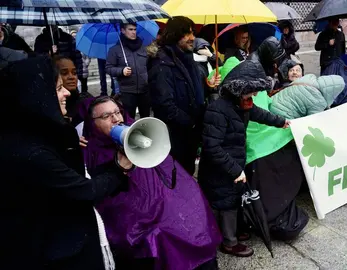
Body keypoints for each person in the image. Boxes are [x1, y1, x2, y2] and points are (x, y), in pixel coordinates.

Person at [0, 55, 132, 270]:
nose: (67, 93)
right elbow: (84, 190)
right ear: (37, 95)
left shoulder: (33, 135)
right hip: (49, 252)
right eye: (59, 87)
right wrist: (120, 167)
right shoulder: (31, 153)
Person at [78, 96, 221, 270]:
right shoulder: (93, 152)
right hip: (142, 223)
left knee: (194, 222)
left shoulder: (140, 133)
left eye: (117, 112)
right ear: (93, 123)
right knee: (161, 238)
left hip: (167, 209)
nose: (116, 119)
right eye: (106, 116)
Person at [198, 60, 289, 257]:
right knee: (226, 202)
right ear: (240, 88)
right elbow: (212, 147)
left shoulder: (243, 103)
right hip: (219, 168)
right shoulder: (218, 109)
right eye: (253, 91)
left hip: (232, 162)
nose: (255, 96)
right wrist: (234, 169)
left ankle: (232, 232)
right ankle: (229, 242)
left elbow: (261, 114)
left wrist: (282, 122)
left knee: (232, 199)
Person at [149, 16, 206, 175]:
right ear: (175, 35)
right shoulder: (162, 63)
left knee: (187, 171)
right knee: (178, 175)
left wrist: (207, 85)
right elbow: (165, 106)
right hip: (175, 136)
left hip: (191, 133)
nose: (192, 38)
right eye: (187, 34)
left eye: (192, 33)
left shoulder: (187, 57)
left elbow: (194, 90)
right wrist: (191, 123)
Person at [106, 23, 150, 118]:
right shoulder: (115, 50)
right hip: (127, 91)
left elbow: (148, 66)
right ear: (122, 30)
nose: (134, 32)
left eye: (135, 29)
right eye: (130, 29)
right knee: (129, 119)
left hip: (144, 90)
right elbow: (108, 68)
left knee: (146, 118)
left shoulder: (142, 48)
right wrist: (121, 71)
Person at [269, 74, 345, 119]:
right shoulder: (319, 102)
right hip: (282, 116)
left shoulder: (309, 78)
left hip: (271, 104)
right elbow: (311, 121)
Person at [53, 56, 93, 126]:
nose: (71, 77)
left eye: (74, 73)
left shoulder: (86, 101)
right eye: (64, 73)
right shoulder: (52, 109)